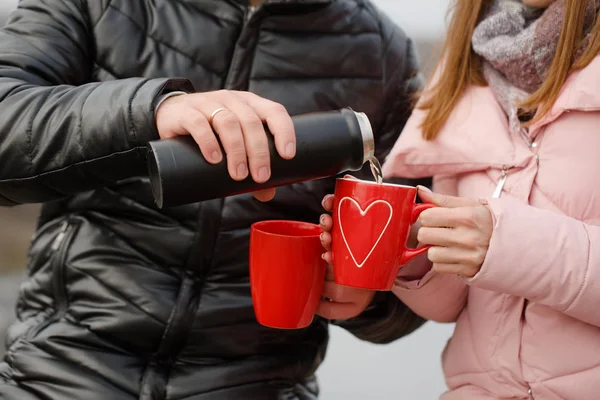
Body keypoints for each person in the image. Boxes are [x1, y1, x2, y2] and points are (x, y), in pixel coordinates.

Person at [0, 0, 428, 399]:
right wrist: (150, 112)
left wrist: (373, 300)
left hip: (260, 386)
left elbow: (418, 255)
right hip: (60, 373)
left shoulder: (384, 52)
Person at [320, 0, 600, 398]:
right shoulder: (467, 65)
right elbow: (455, 305)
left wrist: (506, 245)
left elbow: (501, 248)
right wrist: (411, 246)